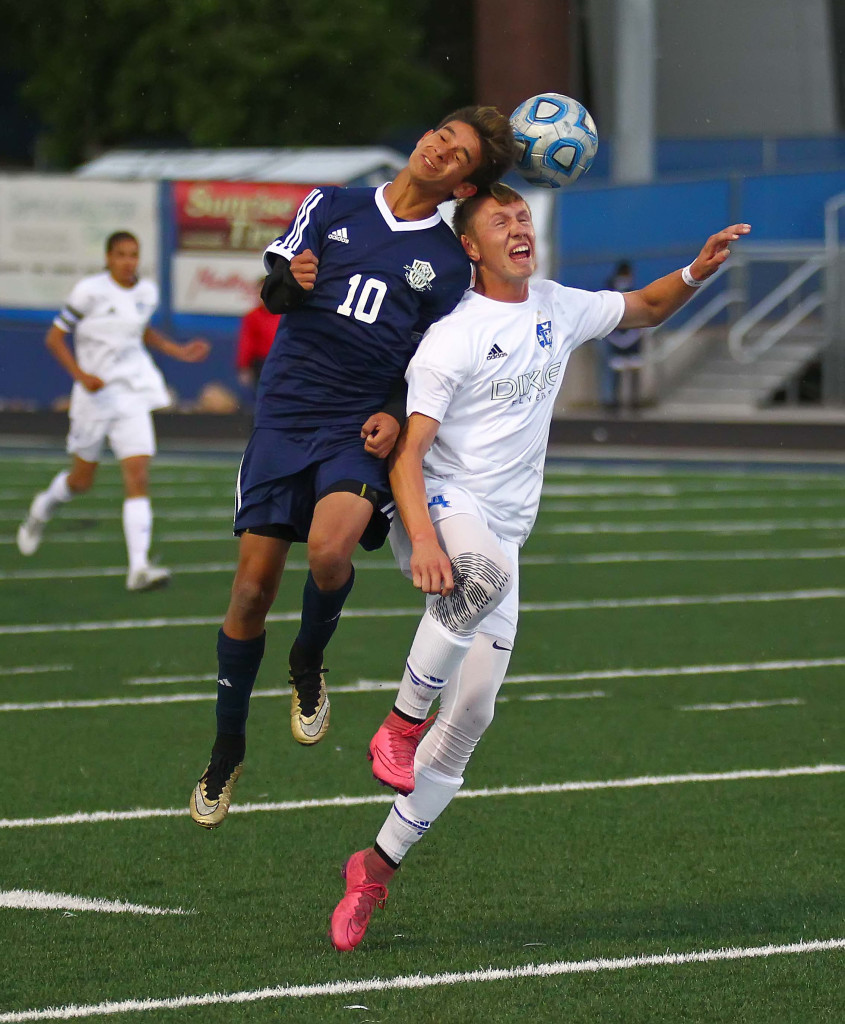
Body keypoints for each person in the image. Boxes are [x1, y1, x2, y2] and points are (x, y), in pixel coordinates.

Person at [328, 182, 751, 951]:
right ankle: (394, 726)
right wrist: (423, 540)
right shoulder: (452, 334)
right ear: (469, 245)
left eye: (523, 216)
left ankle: (376, 868)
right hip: (441, 506)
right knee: (477, 577)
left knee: (476, 716)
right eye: (500, 220)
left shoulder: (558, 305)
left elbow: (645, 308)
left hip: (503, 531)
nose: (519, 228)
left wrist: (697, 270)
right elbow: (409, 456)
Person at [189, 106, 518, 830]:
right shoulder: (330, 203)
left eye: (458, 154)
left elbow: (432, 361)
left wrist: (397, 410)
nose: (439, 149)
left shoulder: (447, 262)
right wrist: (291, 281)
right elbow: (275, 288)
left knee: (333, 552)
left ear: (464, 184)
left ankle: (307, 661)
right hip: (285, 414)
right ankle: (227, 747)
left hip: (355, 427)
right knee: (249, 594)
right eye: (442, 134)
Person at [15, 231, 210, 591]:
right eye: (121, 254)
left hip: (132, 393)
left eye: (133, 254)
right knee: (81, 481)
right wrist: (81, 376)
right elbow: (54, 338)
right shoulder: (88, 291)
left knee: (137, 477)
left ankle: (138, 567)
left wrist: (178, 351)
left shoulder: (146, 292)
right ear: (108, 258)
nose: (128, 261)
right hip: (94, 397)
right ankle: (42, 508)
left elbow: (142, 331)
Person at [598, 260, 643, 410]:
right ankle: (614, 401)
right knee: (615, 372)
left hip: (627, 338)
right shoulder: (612, 295)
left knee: (628, 371)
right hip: (618, 338)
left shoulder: (630, 292)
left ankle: (629, 401)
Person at [236, 280, 280, 393]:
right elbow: (246, 342)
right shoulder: (253, 317)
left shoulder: (284, 315)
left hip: (282, 361)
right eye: (260, 293)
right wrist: (243, 366)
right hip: (261, 363)